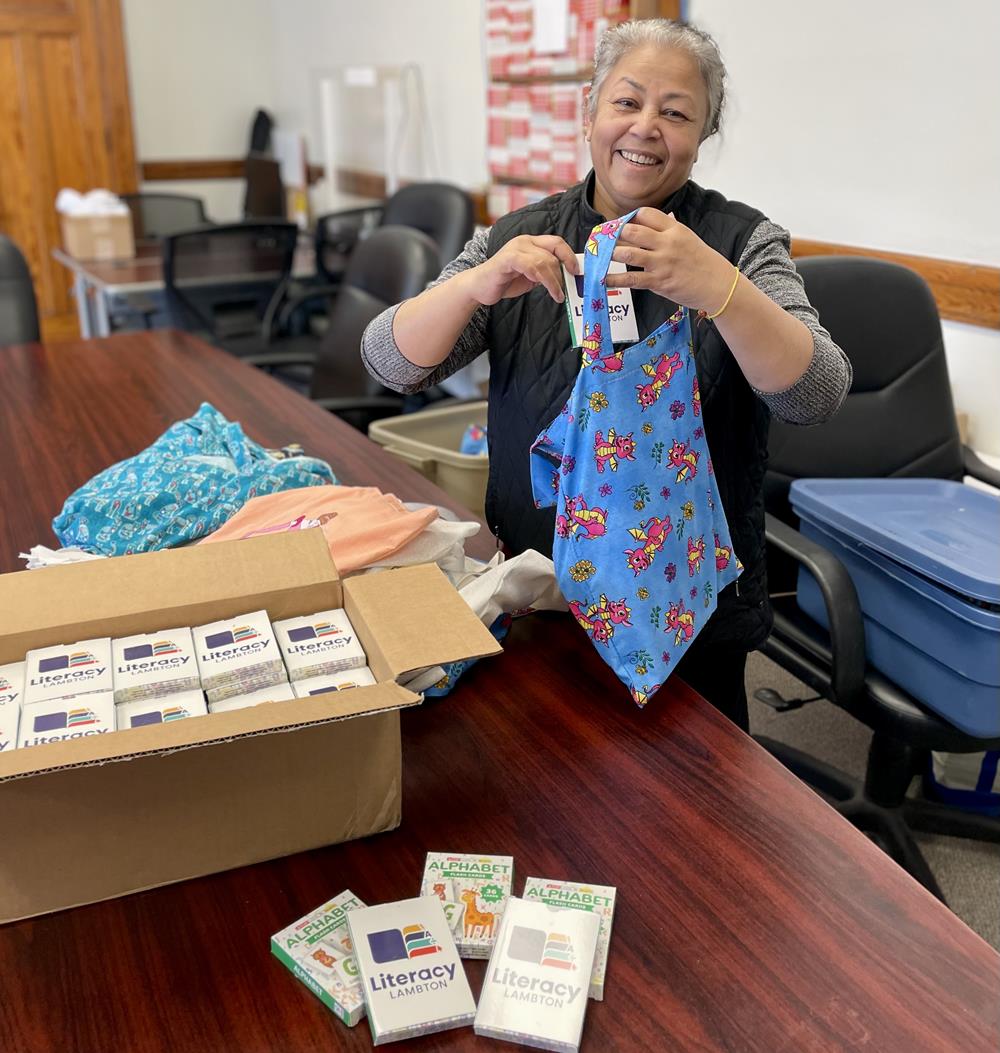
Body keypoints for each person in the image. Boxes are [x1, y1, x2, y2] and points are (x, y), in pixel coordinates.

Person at [362, 18, 851, 731]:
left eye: (676, 112)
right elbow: (391, 362)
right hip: (540, 606)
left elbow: (818, 392)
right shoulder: (520, 236)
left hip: (691, 625)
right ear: (589, 109)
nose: (646, 127)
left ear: (703, 134)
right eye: (627, 102)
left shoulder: (742, 243)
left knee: (688, 830)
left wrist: (719, 287)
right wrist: (474, 286)